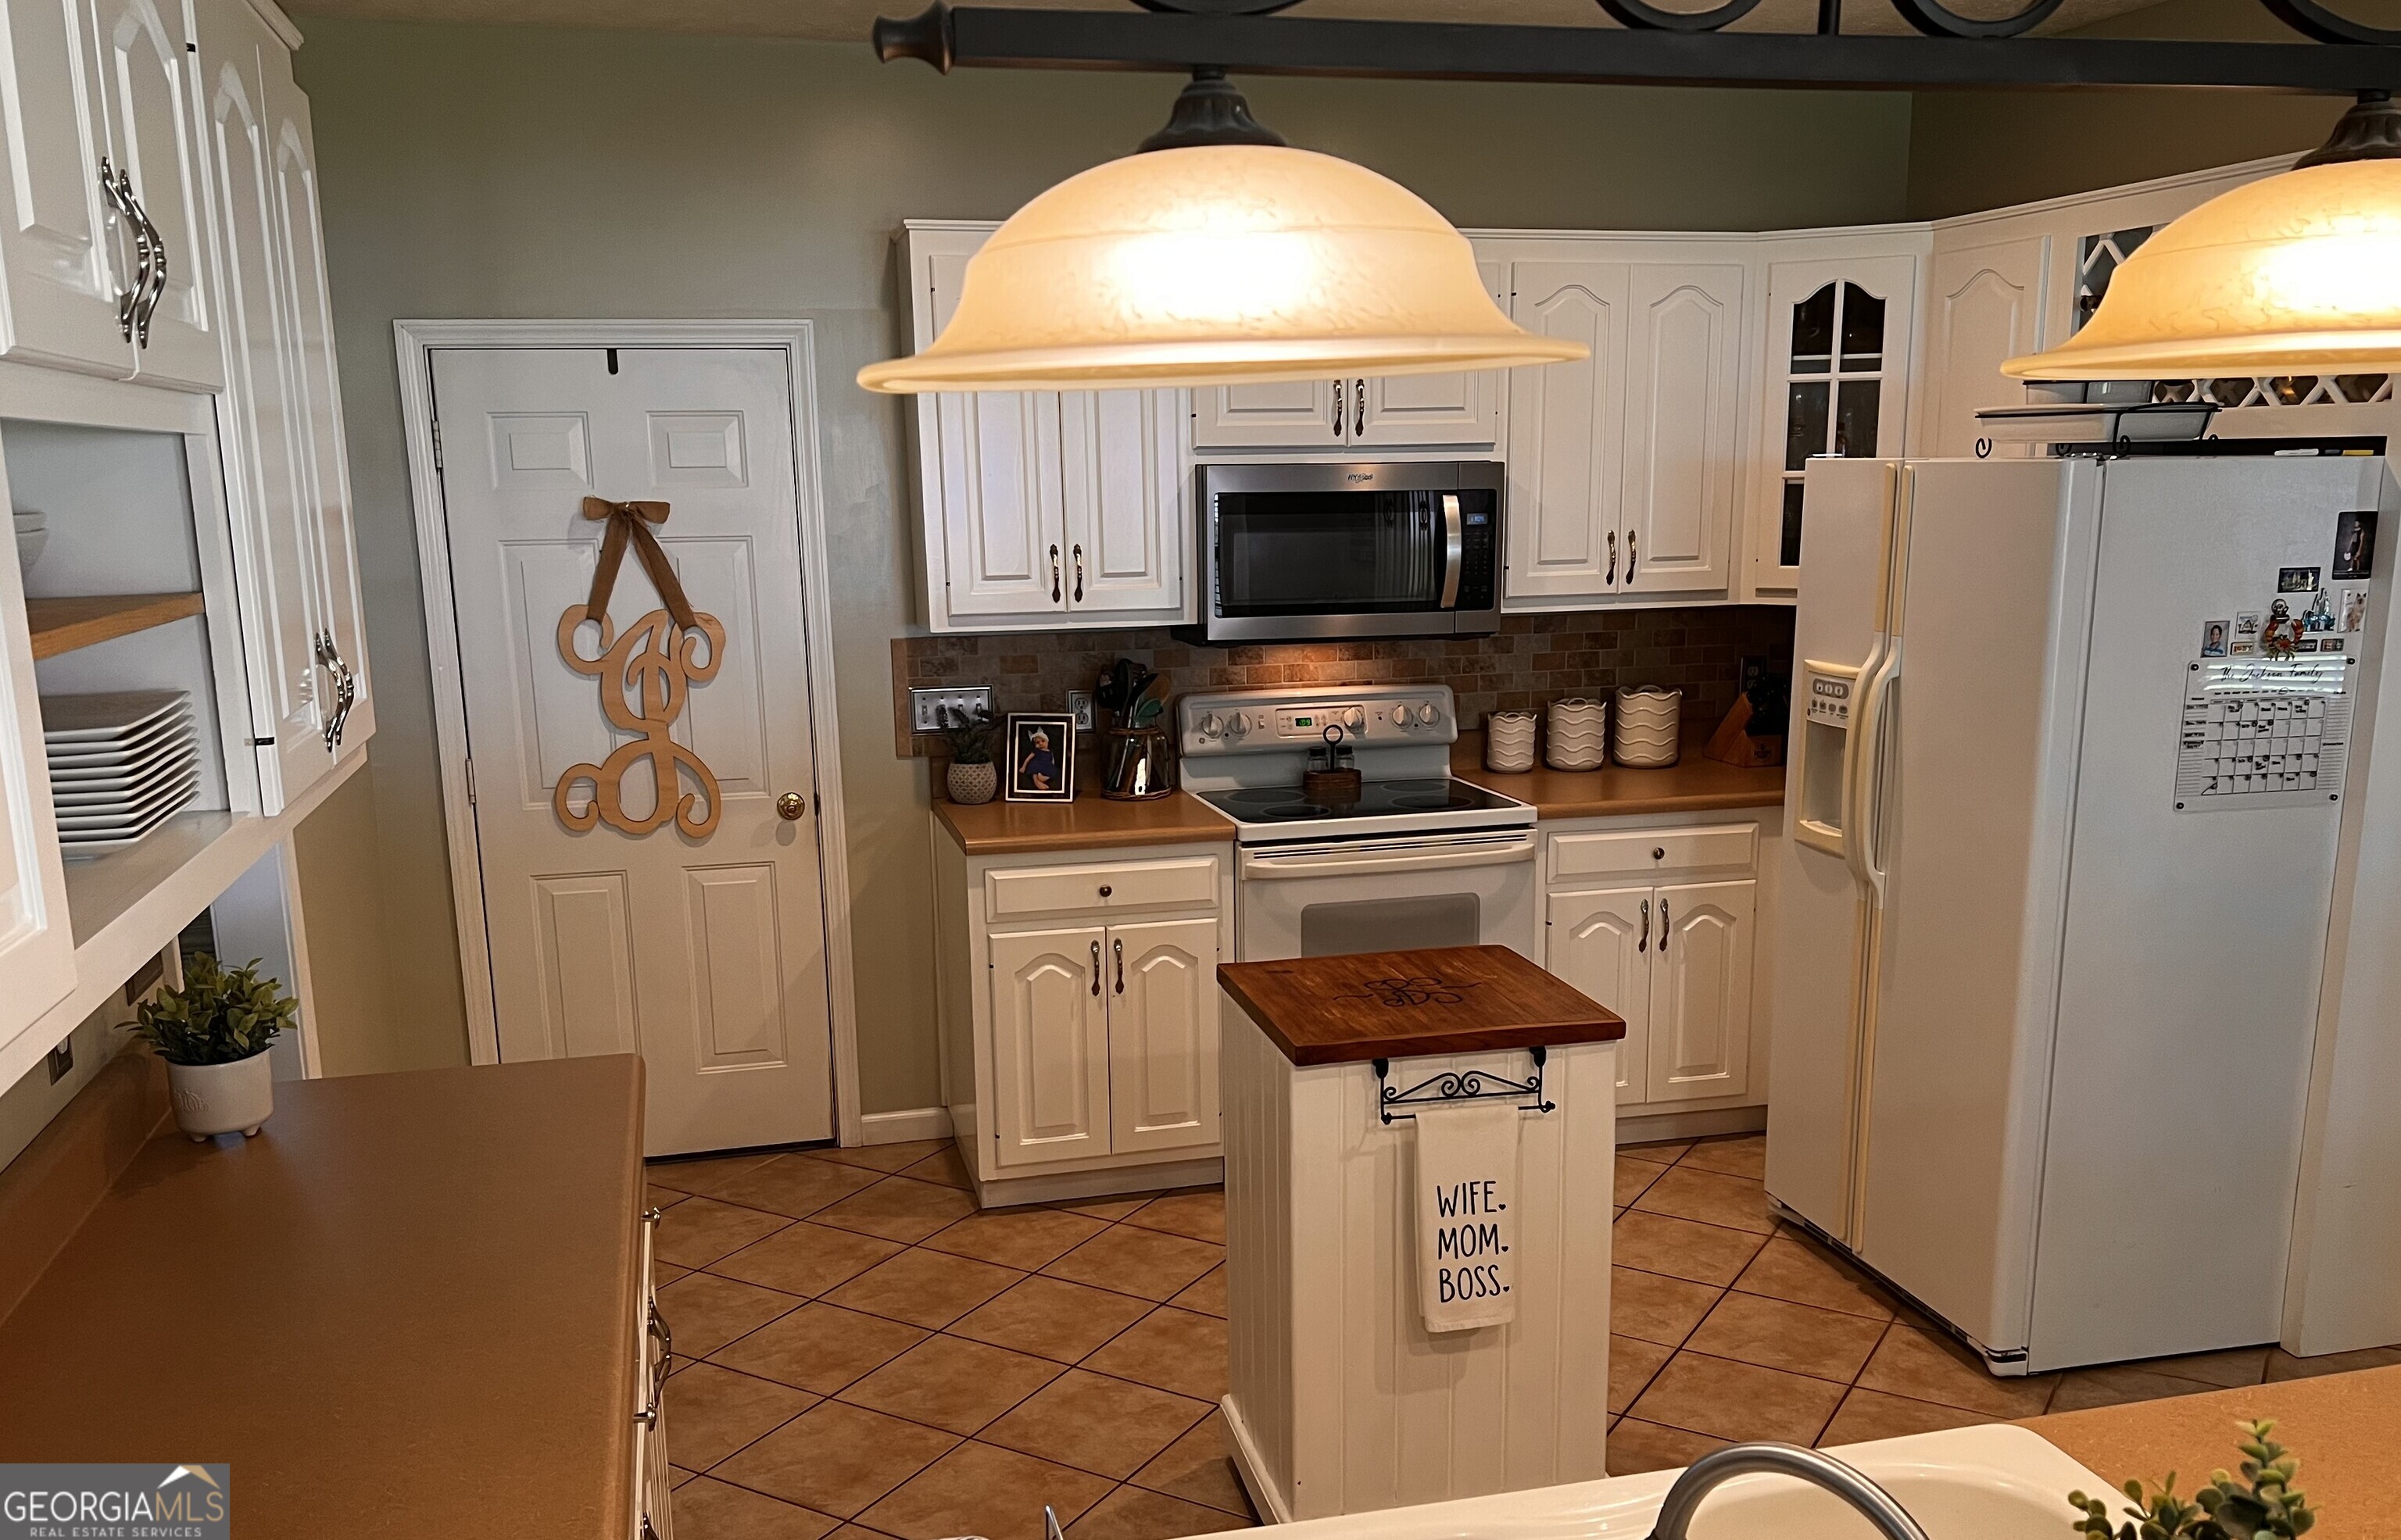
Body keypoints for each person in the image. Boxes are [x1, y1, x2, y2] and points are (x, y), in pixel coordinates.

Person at [1018, 726, 1059, 791]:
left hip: (1046, 765)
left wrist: (1052, 765)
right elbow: (1028, 759)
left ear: (1047, 742)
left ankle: (1044, 778)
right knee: (1034, 765)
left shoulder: (1050, 751)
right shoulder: (1036, 751)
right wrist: (1023, 767)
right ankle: (1036, 781)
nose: (1041, 744)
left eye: (1043, 741)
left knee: (1053, 770)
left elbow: (1052, 760)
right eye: (1038, 742)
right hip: (1038, 764)